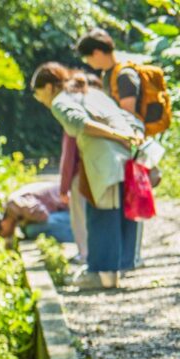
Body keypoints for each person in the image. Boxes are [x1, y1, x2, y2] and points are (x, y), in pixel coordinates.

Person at [31, 61, 144, 289]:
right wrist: (129, 136)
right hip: (123, 159)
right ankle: (112, 276)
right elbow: (128, 119)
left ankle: (99, 274)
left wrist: (116, 134)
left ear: (49, 87)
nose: (39, 99)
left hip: (102, 163)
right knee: (116, 215)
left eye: (38, 92)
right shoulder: (92, 92)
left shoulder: (60, 101)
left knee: (101, 217)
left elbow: (78, 125)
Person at [75, 28, 147, 266]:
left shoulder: (123, 75)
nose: (89, 63)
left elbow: (127, 114)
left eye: (88, 58)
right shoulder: (110, 75)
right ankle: (125, 259)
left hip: (129, 145)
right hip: (121, 145)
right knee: (126, 201)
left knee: (133, 201)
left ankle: (130, 259)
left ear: (97, 52)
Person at [59, 72, 102, 264]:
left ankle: (84, 255)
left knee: (80, 217)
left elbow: (68, 157)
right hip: (102, 171)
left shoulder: (74, 115)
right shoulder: (102, 112)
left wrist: (63, 187)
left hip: (81, 175)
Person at [0, 181, 71, 250]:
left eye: (2, 235)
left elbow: (43, 215)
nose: (5, 236)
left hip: (74, 207)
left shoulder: (16, 204)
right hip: (65, 209)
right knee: (28, 229)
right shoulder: (12, 208)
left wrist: (25, 222)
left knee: (32, 230)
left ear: (3, 224)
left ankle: (79, 237)